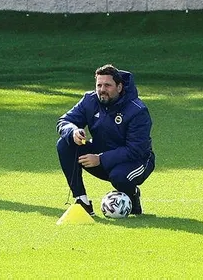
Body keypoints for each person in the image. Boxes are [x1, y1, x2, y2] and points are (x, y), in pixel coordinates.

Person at [56, 64, 155, 216]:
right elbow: (64, 121)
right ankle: (82, 201)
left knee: (119, 177)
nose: (102, 89)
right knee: (65, 144)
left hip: (137, 161)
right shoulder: (89, 100)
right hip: (100, 157)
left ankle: (132, 195)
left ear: (119, 87)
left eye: (107, 85)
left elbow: (136, 150)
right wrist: (73, 131)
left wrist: (101, 159)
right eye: (99, 85)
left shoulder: (137, 110)